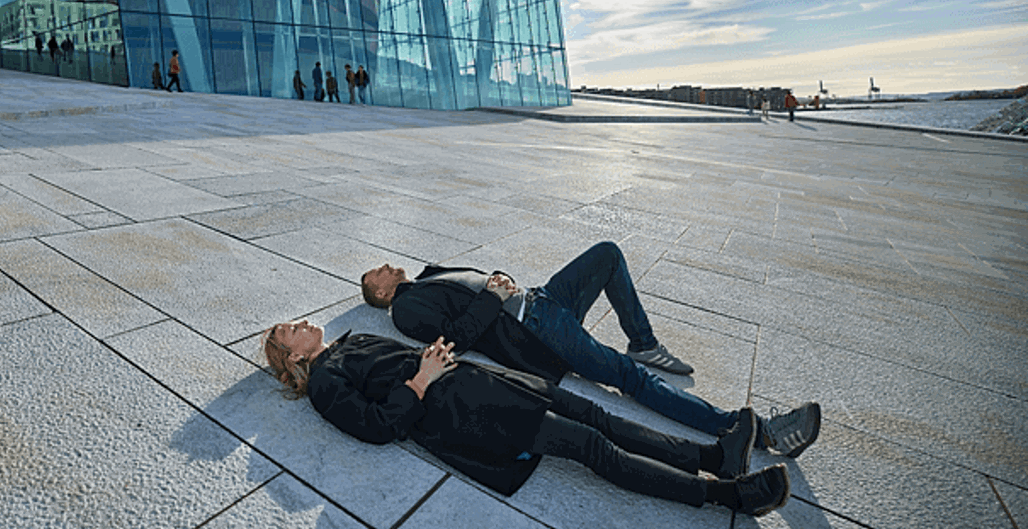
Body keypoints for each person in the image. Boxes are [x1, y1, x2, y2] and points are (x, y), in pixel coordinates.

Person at [262, 321, 790, 516]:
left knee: (599, 417)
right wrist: (420, 379)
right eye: (291, 331)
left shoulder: (350, 341)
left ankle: (714, 457)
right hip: (468, 415)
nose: (303, 324)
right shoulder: (326, 383)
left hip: (487, 384)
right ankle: (726, 497)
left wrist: (432, 357)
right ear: (295, 359)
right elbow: (377, 427)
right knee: (591, 447)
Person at [360, 241, 822, 457]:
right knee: (630, 379)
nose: (382, 266)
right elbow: (456, 336)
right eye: (374, 274)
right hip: (537, 331)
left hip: (541, 299)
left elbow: (481, 283)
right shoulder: (405, 310)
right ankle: (756, 431)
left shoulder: (426, 274)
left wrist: (500, 282)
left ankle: (643, 341)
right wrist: (494, 297)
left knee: (607, 253)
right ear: (380, 294)